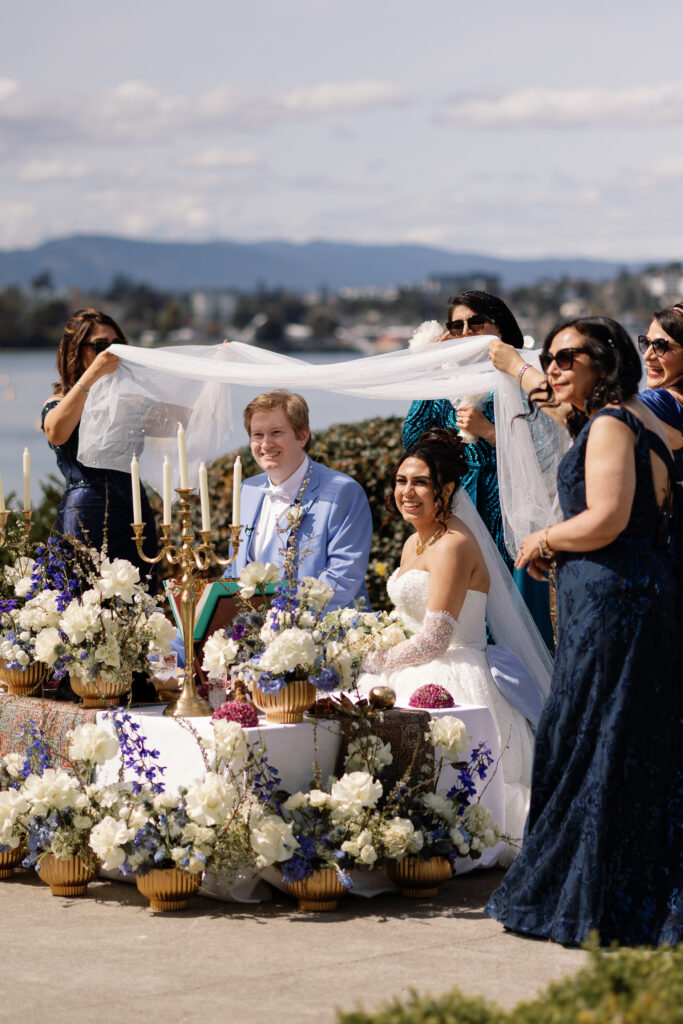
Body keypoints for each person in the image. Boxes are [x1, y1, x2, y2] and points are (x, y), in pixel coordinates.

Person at [486, 316, 682, 947]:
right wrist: (515, 368)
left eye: (569, 357)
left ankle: (589, 897)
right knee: (619, 742)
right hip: (632, 599)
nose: (555, 368)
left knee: (592, 739)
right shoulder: (635, 421)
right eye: (549, 357)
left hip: (613, 606)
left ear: (607, 360)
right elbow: (554, 407)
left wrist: (543, 537)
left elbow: (604, 518)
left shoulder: (608, 426)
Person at [356, 428, 542, 851]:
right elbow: (407, 623)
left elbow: (436, 639)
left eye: (421, 482)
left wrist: (368, 660)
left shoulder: (454, 545)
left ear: (448, 487)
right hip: (409, 664)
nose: (407, 492)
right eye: (402, 480)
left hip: (453, 671)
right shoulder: (412, 542)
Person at [172, 390, 374, 668]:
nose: (265, 444)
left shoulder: (343, 492)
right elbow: (235, 573)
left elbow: (343, 577)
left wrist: (284, 628)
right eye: (257, 435)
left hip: (325, 649)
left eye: (276, 432)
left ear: (302, 436)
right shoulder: (248, 490)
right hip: (254, 649)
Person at [402, 289, 554, 649]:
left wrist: (488, 431)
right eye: (456, 326)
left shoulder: (522, 379)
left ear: (500, 329)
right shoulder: (447, 385)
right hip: (459, 508)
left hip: (509, 505)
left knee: (515, 610)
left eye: (476, 323)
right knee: (464, 608)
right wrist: (432, 372)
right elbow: (414, 441)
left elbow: (545, 455)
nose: (466, 332)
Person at [42, 309, 158, 586]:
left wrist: (215, 370)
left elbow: (183, 420)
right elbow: (56, 432)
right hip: (86, 518)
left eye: (117, 345)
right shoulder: (60, 401)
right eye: (100, 346)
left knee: (141, 605)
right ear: (76, 351)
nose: (109, 353)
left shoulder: (131, 403)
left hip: (135, 517)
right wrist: (93, 374)